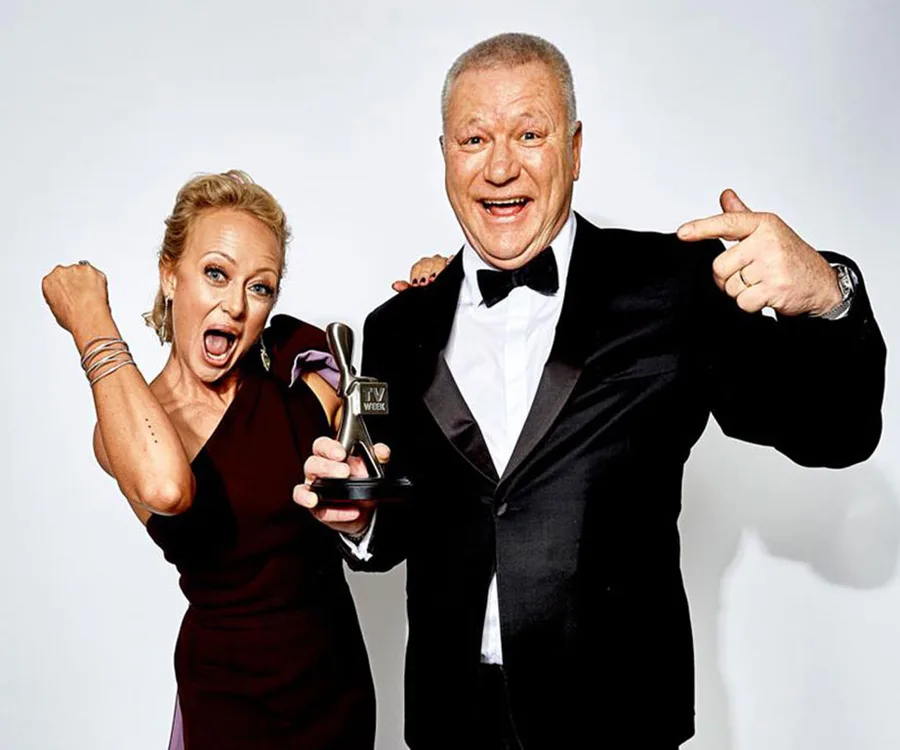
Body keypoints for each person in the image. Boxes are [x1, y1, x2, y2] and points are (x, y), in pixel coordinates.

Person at [296, 33, 887, 749]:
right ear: (447, 155)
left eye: (530, 133)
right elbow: (414, 518)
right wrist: (360, 516)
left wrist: (829, 294)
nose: (500, 165)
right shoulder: (394, 327)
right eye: (474, 138)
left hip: (618, 717)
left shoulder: (676, 287)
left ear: (574, 151)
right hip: (453, 720)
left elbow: (837, 432)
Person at [41, 170, 384, 749]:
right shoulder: (123, 430)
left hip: (335, 694)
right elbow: (169, 487)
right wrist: (90, 322)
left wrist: (436, 284)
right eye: (216, 274)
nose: (234, 305)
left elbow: (389, 399)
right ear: (169, 275)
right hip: (229, 706)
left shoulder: (297, 370)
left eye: (260, 287)